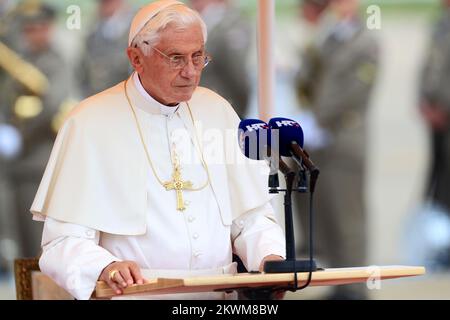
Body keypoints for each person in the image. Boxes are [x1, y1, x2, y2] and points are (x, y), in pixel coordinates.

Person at [31, 0, 286, 300]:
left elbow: (251, 218)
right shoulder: (88, 122)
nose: (190, 72)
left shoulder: (217, 111)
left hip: (218, 298)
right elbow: (62, 242)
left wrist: (270, 258)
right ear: (137, 58)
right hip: (137, 295)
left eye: (198, 57)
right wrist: (105, 266)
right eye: (176, 58)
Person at [294, 0, 379, 299]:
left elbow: (354, 89)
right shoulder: (328, 36)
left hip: (345, 139)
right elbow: (308, 78)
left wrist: (318, 118)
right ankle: (339, 281)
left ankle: (355, 284)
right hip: (321, 140)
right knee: (327, 214)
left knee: (348, 217)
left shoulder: (367, 40)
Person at [0, 0, 69, 263]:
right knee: (20, 239)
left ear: (48, 29)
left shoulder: (56, 61)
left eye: (38, 28)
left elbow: (52, 105)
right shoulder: (21, 61)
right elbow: (7, 100)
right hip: (17, 163)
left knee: (39, 240)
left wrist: (21, 133)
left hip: (41, 159)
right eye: (28, 29)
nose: (33, 34)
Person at [189, 0, 251, 119]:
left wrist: (238, 112)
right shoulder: (192, 17)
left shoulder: (234, 23)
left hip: (222, 107)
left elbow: (237, 74)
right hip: (195, 108)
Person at [420, 0, 450, 216]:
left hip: (446, 113)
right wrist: (424, 101)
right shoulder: (441, 22)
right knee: (437, 180)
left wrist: (444, 107)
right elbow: (429, 67)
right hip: (437, 117)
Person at [77, 0, 134, 98]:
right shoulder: (93, 33)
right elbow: (82, 71)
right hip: (98, 99)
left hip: (126, 100)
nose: (103, 6)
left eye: (108, 2)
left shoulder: (135, 30)